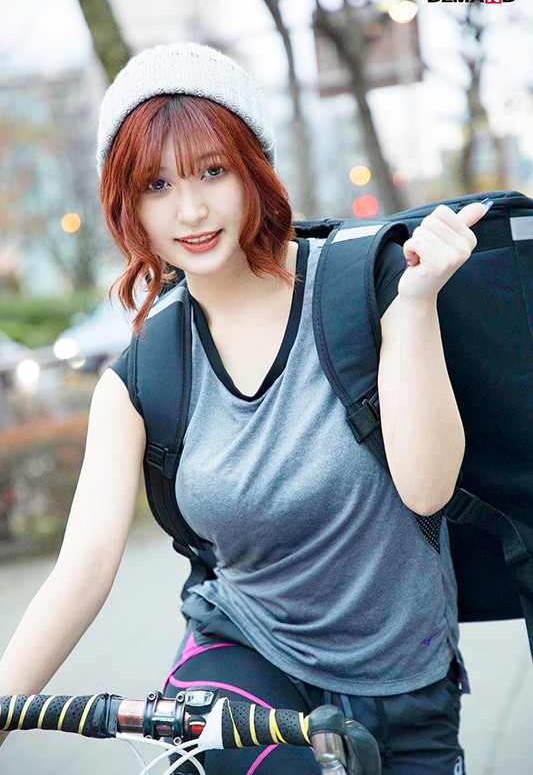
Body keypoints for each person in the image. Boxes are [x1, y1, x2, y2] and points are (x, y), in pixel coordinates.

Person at [0, 42, 488, 773]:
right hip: (244, 657)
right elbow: (85, 567)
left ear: (253, 167)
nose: (190, 210)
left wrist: (415, 305)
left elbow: (427, 488)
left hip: (406, 678)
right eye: (156, 184)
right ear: (126, 203)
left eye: (212, 171)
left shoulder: (366, 288)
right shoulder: (142, 377)